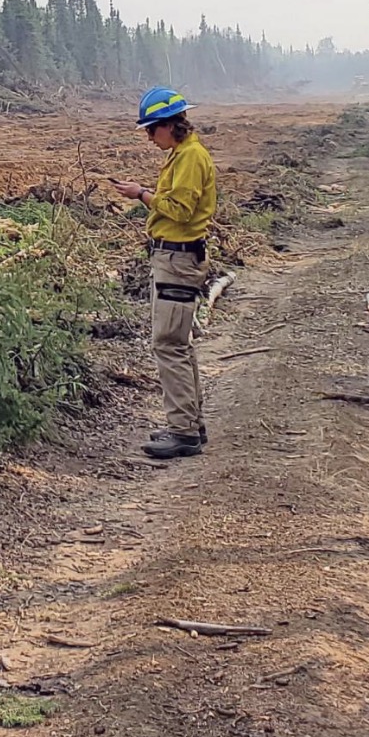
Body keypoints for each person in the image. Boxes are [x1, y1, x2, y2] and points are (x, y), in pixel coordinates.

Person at [112, 86, 218, 459]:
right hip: (174, 259)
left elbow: (181, 210)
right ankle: (189, 424)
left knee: (168, 345)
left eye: (150, 129)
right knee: (178, 344)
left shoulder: (190, 158)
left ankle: (184, 432)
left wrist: (142, 195)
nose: (147, 136)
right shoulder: (183, 154)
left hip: (178, 261)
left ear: (170, 125)